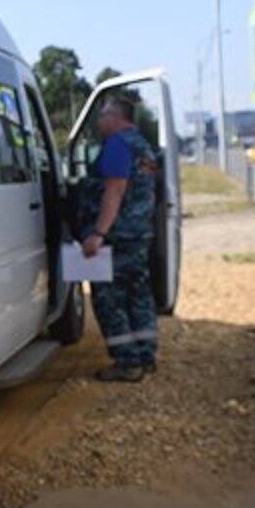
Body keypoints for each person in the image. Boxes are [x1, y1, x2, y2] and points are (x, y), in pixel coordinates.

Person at [77, 97, 158, 382]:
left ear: (116, 117)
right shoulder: (143, 146)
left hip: (115, 238)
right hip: (138, 235)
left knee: (109, 299)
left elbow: (115, 189)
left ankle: (127, 362)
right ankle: (146, 354)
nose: (100, 122)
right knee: (138, 295)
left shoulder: (117, 145)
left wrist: (98, 234)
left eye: (103, 116)